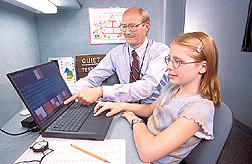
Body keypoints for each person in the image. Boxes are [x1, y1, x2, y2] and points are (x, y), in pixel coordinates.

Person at [93, 32, 222, 163]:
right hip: (143, 139)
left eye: (178, 61)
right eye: (169, 59)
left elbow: (148, 154)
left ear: (202, 67)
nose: (169, 67)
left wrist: (135, 121)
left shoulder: (198, 109)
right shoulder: (174, 87)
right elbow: (149, 109)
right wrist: (121, 105)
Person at [64, 7, 169, 106]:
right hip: (126, 108)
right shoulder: (116, 53)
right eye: (124, 26)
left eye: (133, 26)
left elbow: (146, 87)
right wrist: (64, 93)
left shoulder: (161, 51)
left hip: (154, 111)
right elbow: (92, 80)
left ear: (146, 26)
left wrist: (101, 91)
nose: (127, 32)